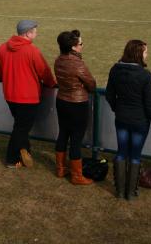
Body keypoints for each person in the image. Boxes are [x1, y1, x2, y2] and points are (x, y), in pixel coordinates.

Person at [106, 39, 151, 200]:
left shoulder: (115, 70)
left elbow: (109, 95)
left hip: (122, 119)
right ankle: (130, 192)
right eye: (145, 51)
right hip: (140, 122)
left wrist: (118, 109)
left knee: (121, 152)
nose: (147, 54)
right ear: (138, 54)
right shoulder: (145, 76)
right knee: (134, 155)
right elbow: (150, 106)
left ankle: (120, 191)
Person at [0, 20, 57, 168]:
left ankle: (25, 151)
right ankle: (12, 159)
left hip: (10, 95)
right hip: (28, 98)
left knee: (20, 126)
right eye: (34, 30)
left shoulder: (3, 48)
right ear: (27, 33)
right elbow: (44, 72)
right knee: (21, 128)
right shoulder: (32, 51)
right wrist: (52, 84)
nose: (36, 33)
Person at [53, 30, 97, 185]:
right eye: (80, 44)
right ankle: (77, 176)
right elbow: (91, 84)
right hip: (77, 104)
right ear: (73, 47)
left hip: (61, 101)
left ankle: (60, 168)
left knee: (63, 134)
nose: (82, 46)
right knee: (76, 139)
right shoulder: (77, 63)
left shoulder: (58, 60)